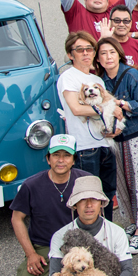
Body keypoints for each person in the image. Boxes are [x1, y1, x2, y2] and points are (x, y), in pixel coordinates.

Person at [96, 37, 138, 252]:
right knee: (122, 182)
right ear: (98, 58)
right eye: (103, 53)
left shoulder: (132, 75)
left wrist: (121, 104)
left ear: (119, 54)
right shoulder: (99, 80)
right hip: (116, 137)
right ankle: (132, 222)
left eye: (112, 52)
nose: (108, 57)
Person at [10, 135, 87, 276]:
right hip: (45, 248)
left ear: (74, 160)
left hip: (79, 247)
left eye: (66, 155)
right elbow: (17, 218)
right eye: (56, 155)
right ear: (48, 159)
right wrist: (30, 254)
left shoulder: (85, 180)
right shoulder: (31, 185)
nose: (61, 160)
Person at [56, 32, 119, 217]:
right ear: (70, 54)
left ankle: (107, 230)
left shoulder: (97, 79)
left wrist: (113, 125)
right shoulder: (68, 78)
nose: (85, 53)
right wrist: (108, 109)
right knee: (88, 197)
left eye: (89, 49)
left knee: (107, 193)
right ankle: (92, 238)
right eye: (80, 49)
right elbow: (76, 109)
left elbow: (111, 110)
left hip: (105, 144)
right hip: (85, 147)